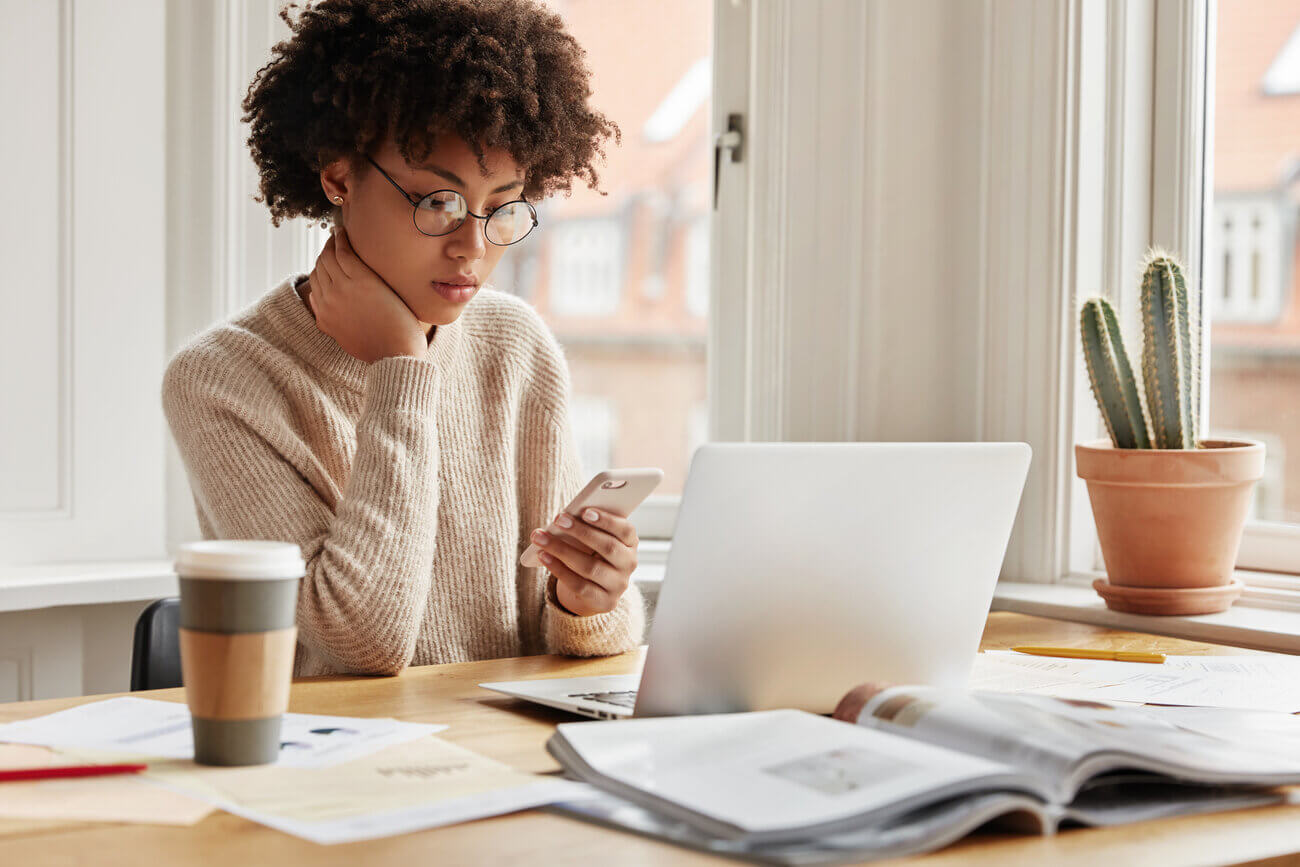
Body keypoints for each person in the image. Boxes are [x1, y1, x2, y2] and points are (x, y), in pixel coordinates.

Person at [162, 0, 644, 678]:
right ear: (338, 177)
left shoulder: (515, 347)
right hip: (340, 774)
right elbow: (362, 641)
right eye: (437, 202)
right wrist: (401, 368)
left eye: (502, 206)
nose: (472, 247)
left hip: (503, 763)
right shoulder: (221, 378)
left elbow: (572, 643)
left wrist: (586, 598)